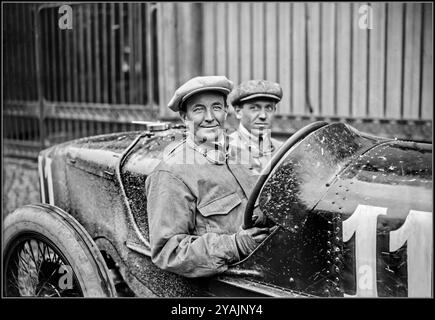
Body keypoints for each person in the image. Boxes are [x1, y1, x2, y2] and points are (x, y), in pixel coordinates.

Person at [145, 76, 270, 278]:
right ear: (184, 117)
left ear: (226, 111)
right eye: (198, 109)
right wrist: (235, 245)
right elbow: (169, 252)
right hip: (232, 281)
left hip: (270, 262)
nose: (210, 117)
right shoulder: (171, 173)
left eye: (217, 107)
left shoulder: (242, 153)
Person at [228, 80, 283, 175]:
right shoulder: (224, 150)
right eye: (254, 108)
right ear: (238, 111)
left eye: (268, 108)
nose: (263, 116)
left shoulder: (283, 150)